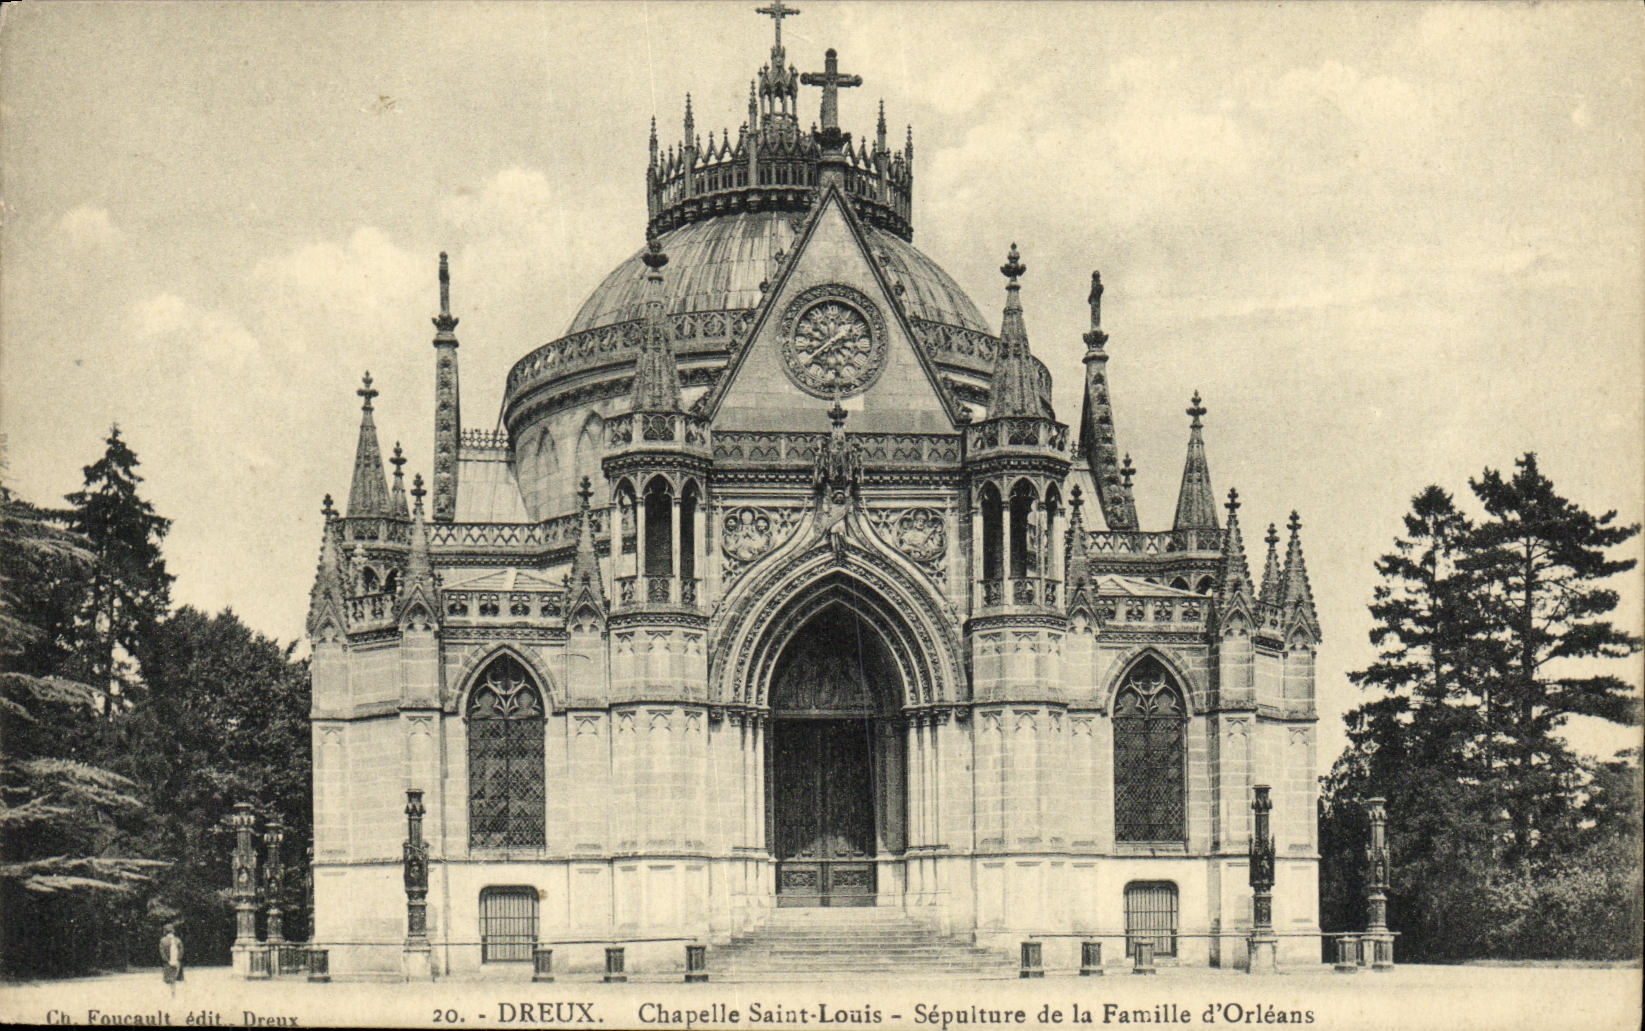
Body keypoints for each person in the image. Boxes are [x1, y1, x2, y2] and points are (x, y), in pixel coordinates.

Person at [159, 924, 184, 994]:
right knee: (174, 978)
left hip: (167, 962)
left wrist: (167, 960)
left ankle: (171, 992)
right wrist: (178, 959)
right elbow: (181, 951)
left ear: (164, 932)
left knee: (169, 979)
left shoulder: (163, 941)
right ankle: (173, 991)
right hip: (177, 962)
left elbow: (162, 953)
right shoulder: (178, 940)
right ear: (173, 931)